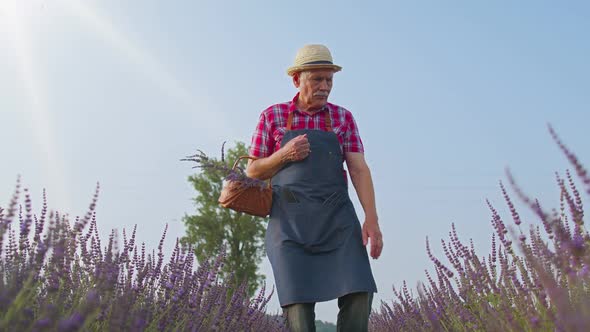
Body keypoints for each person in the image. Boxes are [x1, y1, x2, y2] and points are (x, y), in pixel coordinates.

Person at [246, 44, 383, 332]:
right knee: (298, 305)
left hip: (337, 221)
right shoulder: (272, 117)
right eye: (316, 79)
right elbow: (253, 170)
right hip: (289, 224)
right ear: (297, 79)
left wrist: (371, 219)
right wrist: (284, 155)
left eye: (329, 80)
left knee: (360, 290)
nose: (324, 87)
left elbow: (358, 168)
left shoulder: (343, 119)